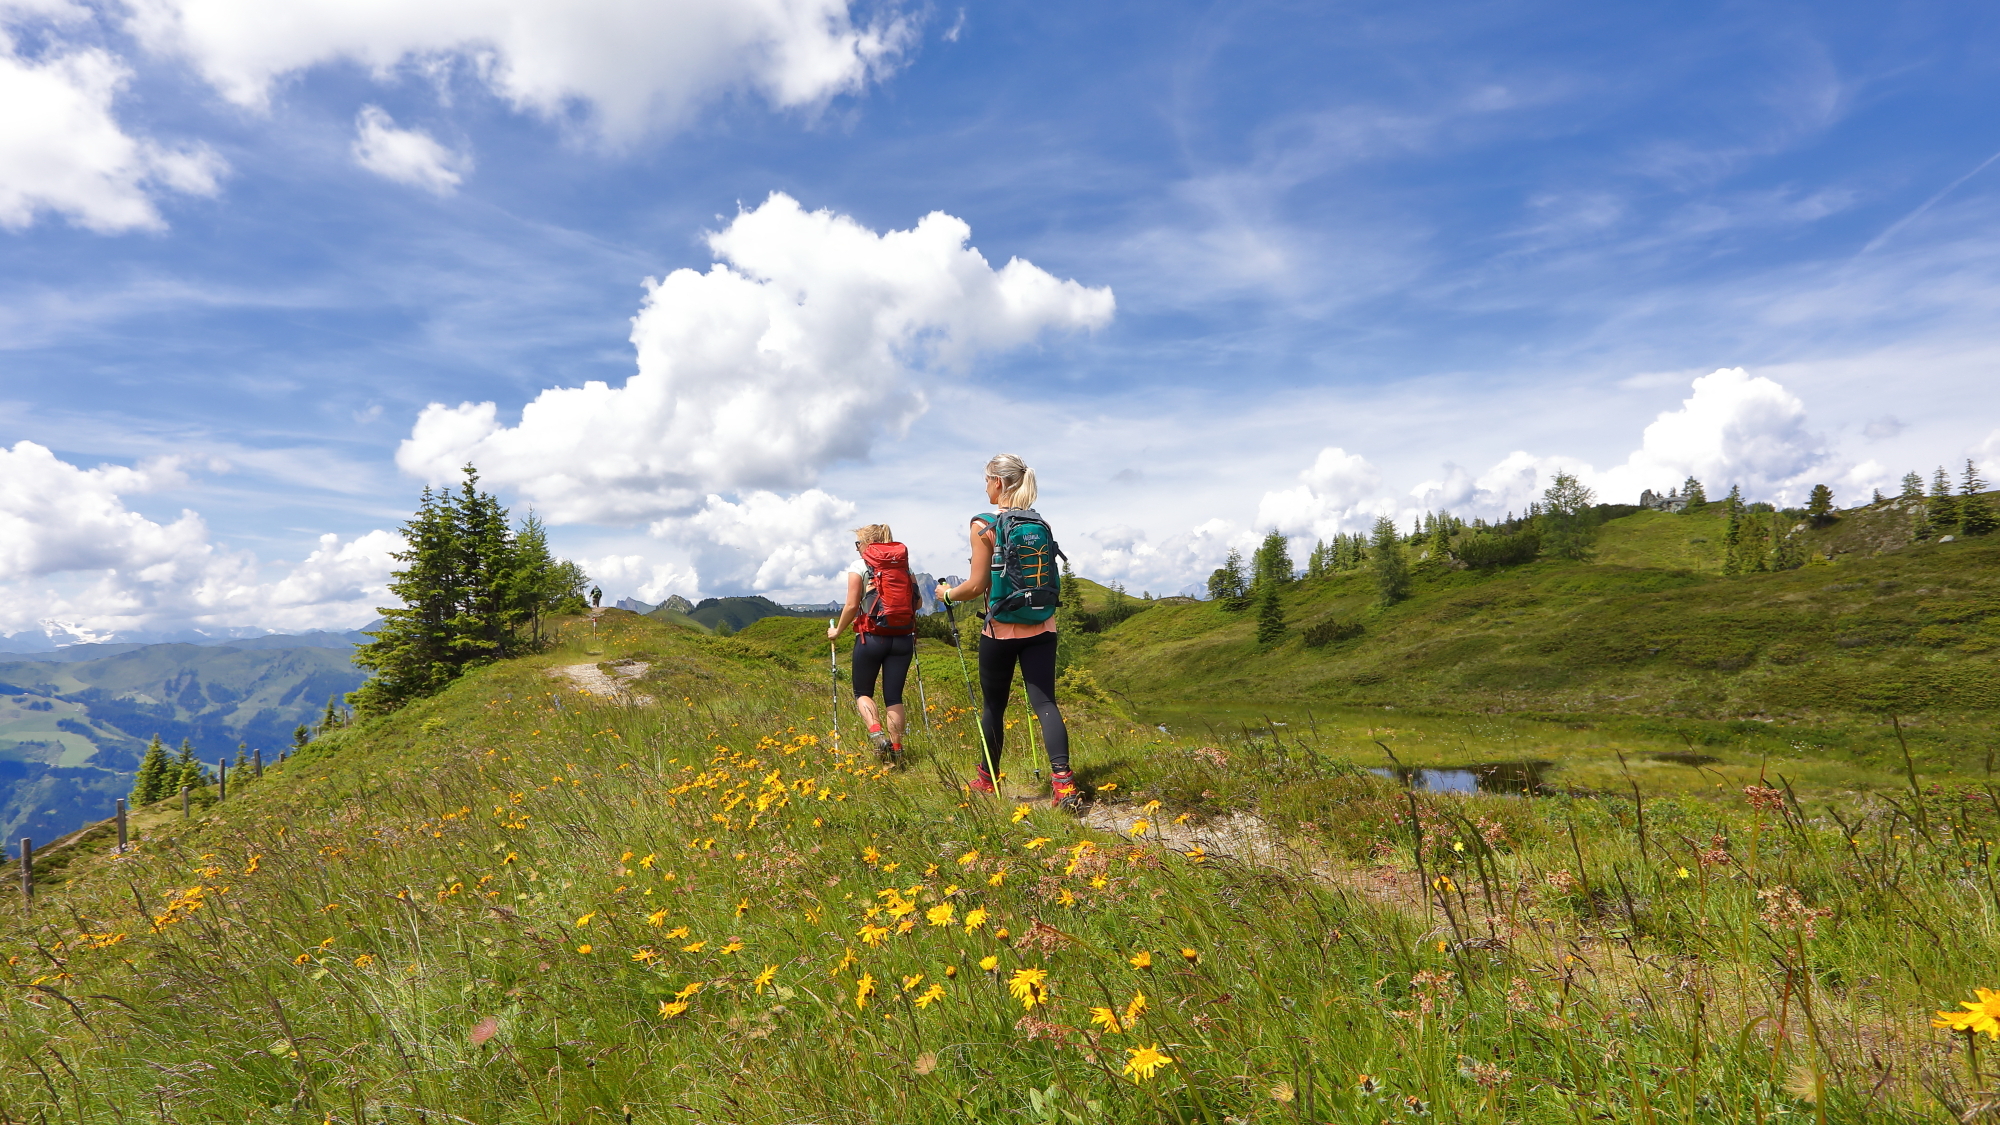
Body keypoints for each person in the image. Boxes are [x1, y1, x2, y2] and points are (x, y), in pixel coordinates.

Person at [936, 454, 1076, 806]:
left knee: (994, 707)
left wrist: (946, 594)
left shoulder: (983, 524)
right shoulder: (1036, 521)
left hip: (1000, 629)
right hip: (1043, 624)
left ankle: (986, 779)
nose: (985, 486)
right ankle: (1063, 782)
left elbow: (974, 585)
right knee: (1045, 702)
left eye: (986, 479)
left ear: (998, 482)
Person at [828, 524, 919, 765]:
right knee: (893, 696)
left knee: (862, 692)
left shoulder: (860, 566)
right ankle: (898, 750)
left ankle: (877, 734)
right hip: (902, 638)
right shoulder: (904, 566)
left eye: (858, 544)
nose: (857, 549)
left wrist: (837, 630)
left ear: (868, 543)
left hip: (872, 637)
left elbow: (850, 605)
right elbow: (917, 604)